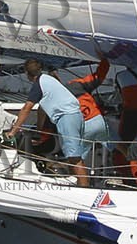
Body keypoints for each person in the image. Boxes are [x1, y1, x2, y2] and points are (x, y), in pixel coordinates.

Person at [7, 58, 91, 186]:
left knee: (74, 157)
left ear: (27, 74)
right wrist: (41, 129)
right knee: (72, 155)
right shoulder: (47, 79)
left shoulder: (38, 85)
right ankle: (79, 185)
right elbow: (43, 108)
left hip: (66, 118)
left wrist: (13, 132)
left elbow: (26, 108)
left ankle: (85, 190)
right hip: (75, 116)